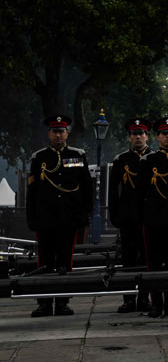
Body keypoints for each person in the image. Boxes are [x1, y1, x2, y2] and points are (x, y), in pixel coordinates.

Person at [26, 114, 94, 317]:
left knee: (66, 260)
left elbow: (86, 188)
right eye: (54, 131)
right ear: (49, 133)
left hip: (69, 217)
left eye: (61, 131)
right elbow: (33, 191)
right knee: (45, 261)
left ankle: (63, 302)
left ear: (67, 133)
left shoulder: (78, 155)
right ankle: (44, 303)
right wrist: (32, 218)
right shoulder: (39, 158)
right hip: (45, 218)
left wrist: (85, 214)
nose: (58, 135)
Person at [141, 116, 168, 317]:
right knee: (155, 264)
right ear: (157, 136)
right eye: (165, 134)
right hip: (154, 219)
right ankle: (156, 304)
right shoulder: (148, 160)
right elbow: (140, 192)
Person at [109, 117, 152, 313]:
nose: (138, 137)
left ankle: (144, 298)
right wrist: (115, 215)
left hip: (148, 217)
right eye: (134, 134)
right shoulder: (121, 160)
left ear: (147, 136)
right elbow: (113, 191)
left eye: (141, 134)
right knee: (127, 260)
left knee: (146, 259)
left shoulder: (154, 157)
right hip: (128, 218)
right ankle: (128, 299)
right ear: (129, 138)